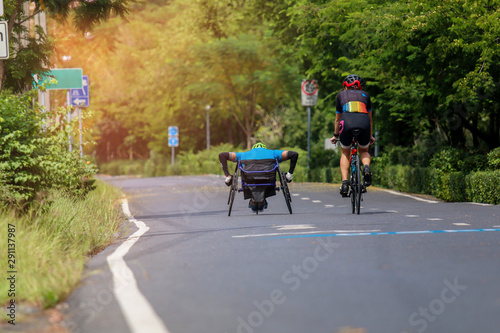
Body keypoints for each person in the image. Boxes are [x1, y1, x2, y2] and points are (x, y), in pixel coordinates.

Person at [330, 74, 376, 197]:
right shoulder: (366, 95)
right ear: (360, 87)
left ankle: (345, 184)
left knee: (345, 152)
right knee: (364, 150)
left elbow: (337, 119)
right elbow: (370, 119)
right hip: (364, 122)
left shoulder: (341, 95)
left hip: (347, 121)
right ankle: (366, 168)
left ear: (345, 86)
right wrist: (370, 136)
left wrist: (335, 135)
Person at [219, 143, 299, 211]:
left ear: (252, 150)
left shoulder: (243, 155)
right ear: (265, 149)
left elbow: (222, 155)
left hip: (249, 179)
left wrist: (228, 176)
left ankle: (229, 177)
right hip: (268, 179)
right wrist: (289, 175)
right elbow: (294, 154)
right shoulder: (274, 153)